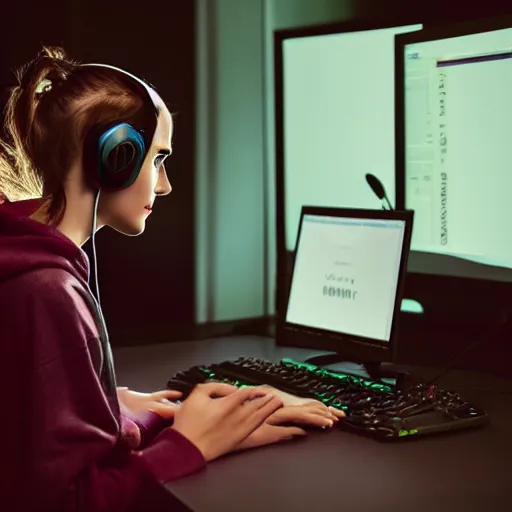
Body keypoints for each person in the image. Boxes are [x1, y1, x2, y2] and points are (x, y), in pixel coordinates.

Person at [0, 47, 343, 511]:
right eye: (158, 159)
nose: (164, 185)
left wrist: (133, 414)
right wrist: (190, 445)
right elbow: (70, 500)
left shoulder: (23, 258)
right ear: (115, 157)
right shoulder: (47, 291)